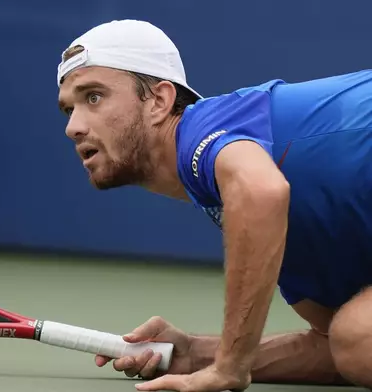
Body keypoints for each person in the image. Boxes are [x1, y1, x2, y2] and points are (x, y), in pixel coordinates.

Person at [56, 19, 372, 391]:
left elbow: (262, 192)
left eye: (93, 97)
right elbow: (333, 348)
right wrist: (198, 353)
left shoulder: (203, 133)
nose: (73, 127)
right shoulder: (241, 197)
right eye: (69, 109)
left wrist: (230, 366)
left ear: (159, 100)